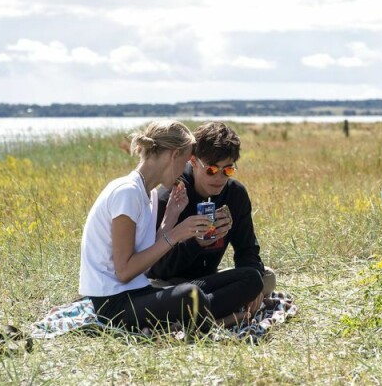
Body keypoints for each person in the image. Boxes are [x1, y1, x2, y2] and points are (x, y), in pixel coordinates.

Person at [79, 120, 264, 332]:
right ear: (175, 155)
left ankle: (200, 318)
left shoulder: (145, 193)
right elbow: (124, 272)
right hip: (115, 305)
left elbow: (148, 256)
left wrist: (170, 217)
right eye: (186, 161)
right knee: (189, 295)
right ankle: (218, 321)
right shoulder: (127, 193)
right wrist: (177, 233)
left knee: (251, 277)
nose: (184, 172)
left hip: (140, 290)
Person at [147, 122, 274, 315]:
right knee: (157, 289)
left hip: (210, 280)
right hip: (170, 283)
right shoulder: (171, 195)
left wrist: (253, 279)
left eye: (228, 170)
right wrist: (196, 242)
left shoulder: (235, 194)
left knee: (267, 277)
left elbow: (247, 249)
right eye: (212, 170)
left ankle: (202, 312)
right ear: (193, 161)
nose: (220, 177)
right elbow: (158, 269)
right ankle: (218, 313)